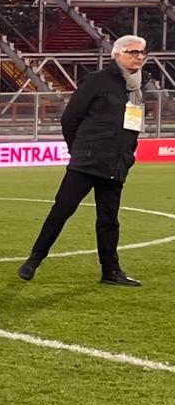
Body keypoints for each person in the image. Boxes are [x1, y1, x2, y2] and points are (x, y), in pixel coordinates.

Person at [19, 34, 150, 287]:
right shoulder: (97, 82)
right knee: (62, 211)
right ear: (118, 54)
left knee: (109, 221)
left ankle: (110, 272)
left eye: (142, 52)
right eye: (134, 52)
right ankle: (34, 259)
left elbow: (131, 127)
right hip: (87, 162)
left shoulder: (135, 89)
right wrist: (78, 150)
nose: (140, 57)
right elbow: (70, 119)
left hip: (116, 164)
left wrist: (127, 155)